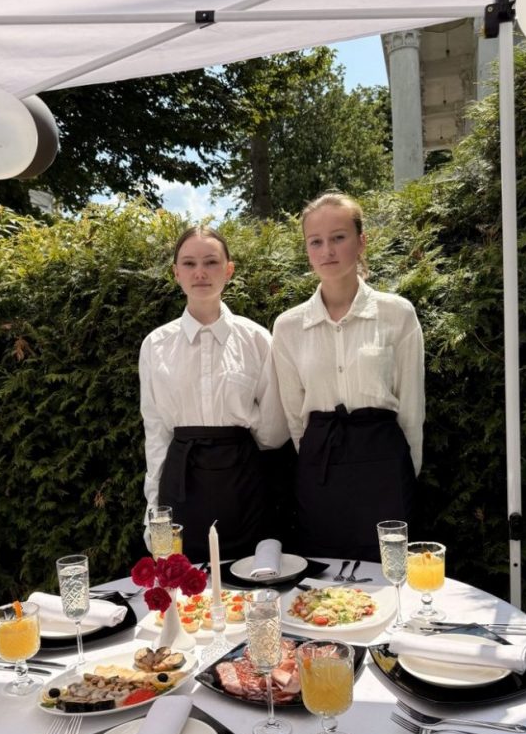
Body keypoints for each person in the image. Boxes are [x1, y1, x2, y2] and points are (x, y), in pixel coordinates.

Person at [271, 191, 424, 560]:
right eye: (316, 241)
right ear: (307, 250)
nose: (328, 250)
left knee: (389, 573)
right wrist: (315, 458)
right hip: (320, 470)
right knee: (322, 577)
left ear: (361, 242)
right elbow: (295, 417)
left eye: (338, 237)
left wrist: (404, 472)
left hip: (386, 467)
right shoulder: (288, 327)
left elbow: (411, 408)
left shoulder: (397, 314)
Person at [139, 227, 290, 563]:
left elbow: (273, 430)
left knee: (252, 579)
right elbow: (157, 434)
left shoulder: (257, 340)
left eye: (210, 262)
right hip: (181, 483)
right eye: (189, 263)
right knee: (187, 584)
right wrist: (154, 513)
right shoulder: (155, 345)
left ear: (228, 270)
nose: (200, 272)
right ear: (176, 272)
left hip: (245, 484)